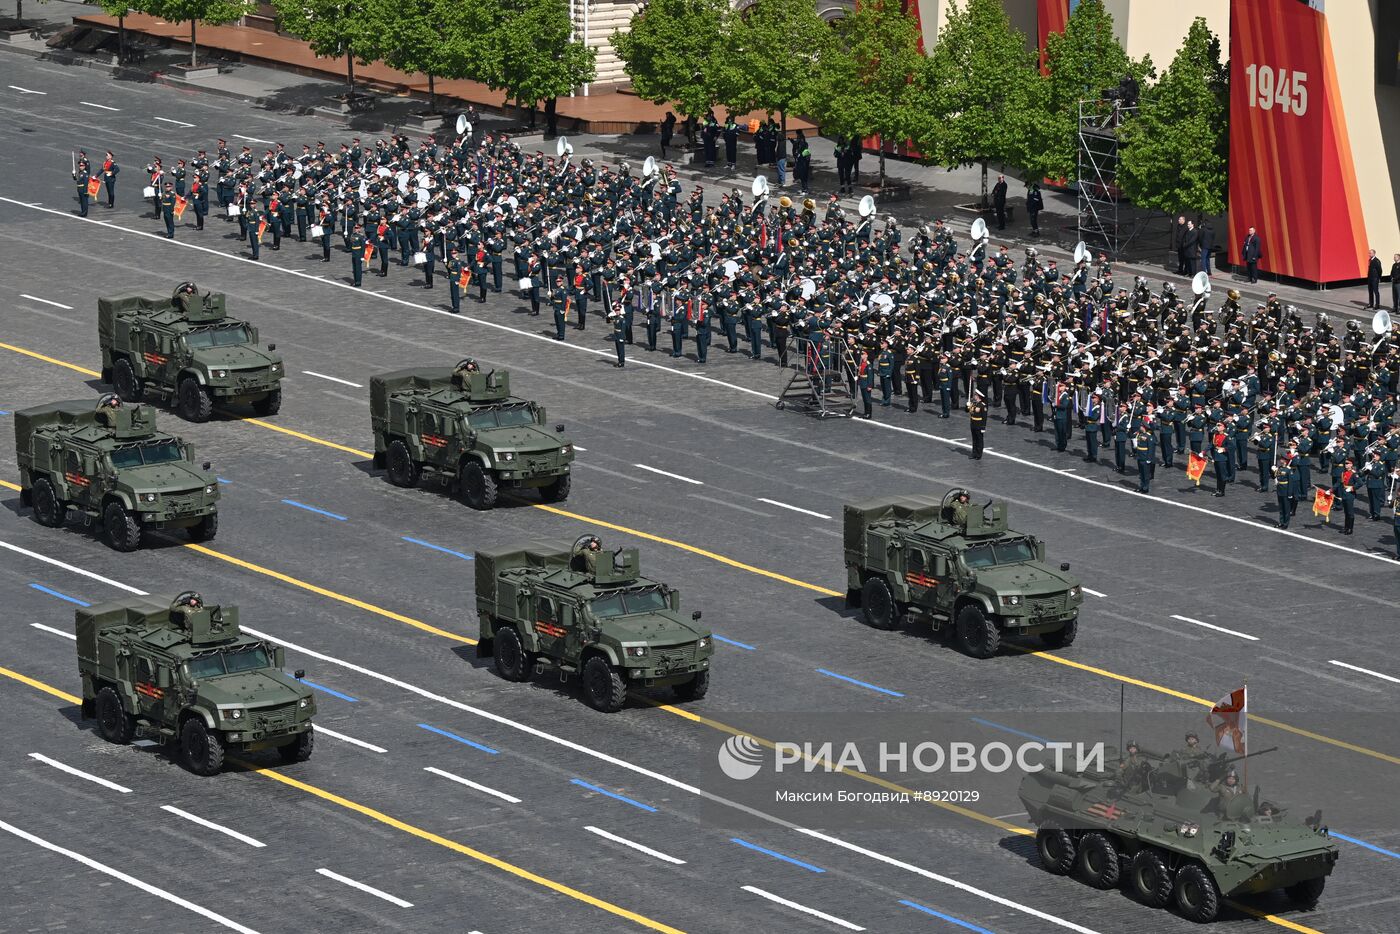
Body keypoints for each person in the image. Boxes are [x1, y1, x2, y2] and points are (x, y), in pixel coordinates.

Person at [968, 391, 987, 459]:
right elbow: (967, 410)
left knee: (979, 440)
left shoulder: (982, 405)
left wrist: (983, 427)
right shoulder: (973, 403)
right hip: (973, 424)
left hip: (979, 424)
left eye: (975, 395)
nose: (974, 396)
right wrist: (967, 405)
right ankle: (974, 453)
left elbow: (984, 418)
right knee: (974, 440)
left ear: (978, 396)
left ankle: (979, 454)